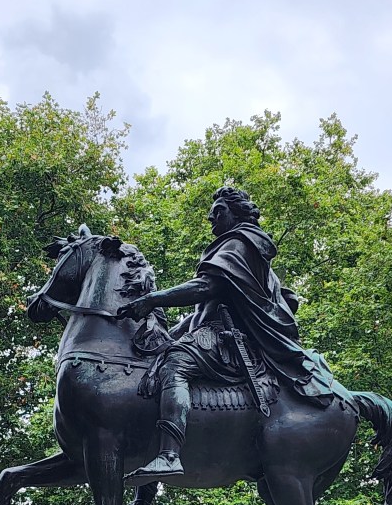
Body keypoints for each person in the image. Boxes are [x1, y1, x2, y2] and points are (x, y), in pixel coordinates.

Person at [118, 186, 351, 484]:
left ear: (238, 213)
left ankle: (169, 456)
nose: (211, 217)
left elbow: (206, 288)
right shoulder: (236, 247)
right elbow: (208, 308)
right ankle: (145, 496)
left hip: (232, 339)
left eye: (219, 211)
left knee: (175, 363)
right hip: (218, 331)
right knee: (157, 364)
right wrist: (167, 332)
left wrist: (153, 299)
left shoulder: (241, 243)